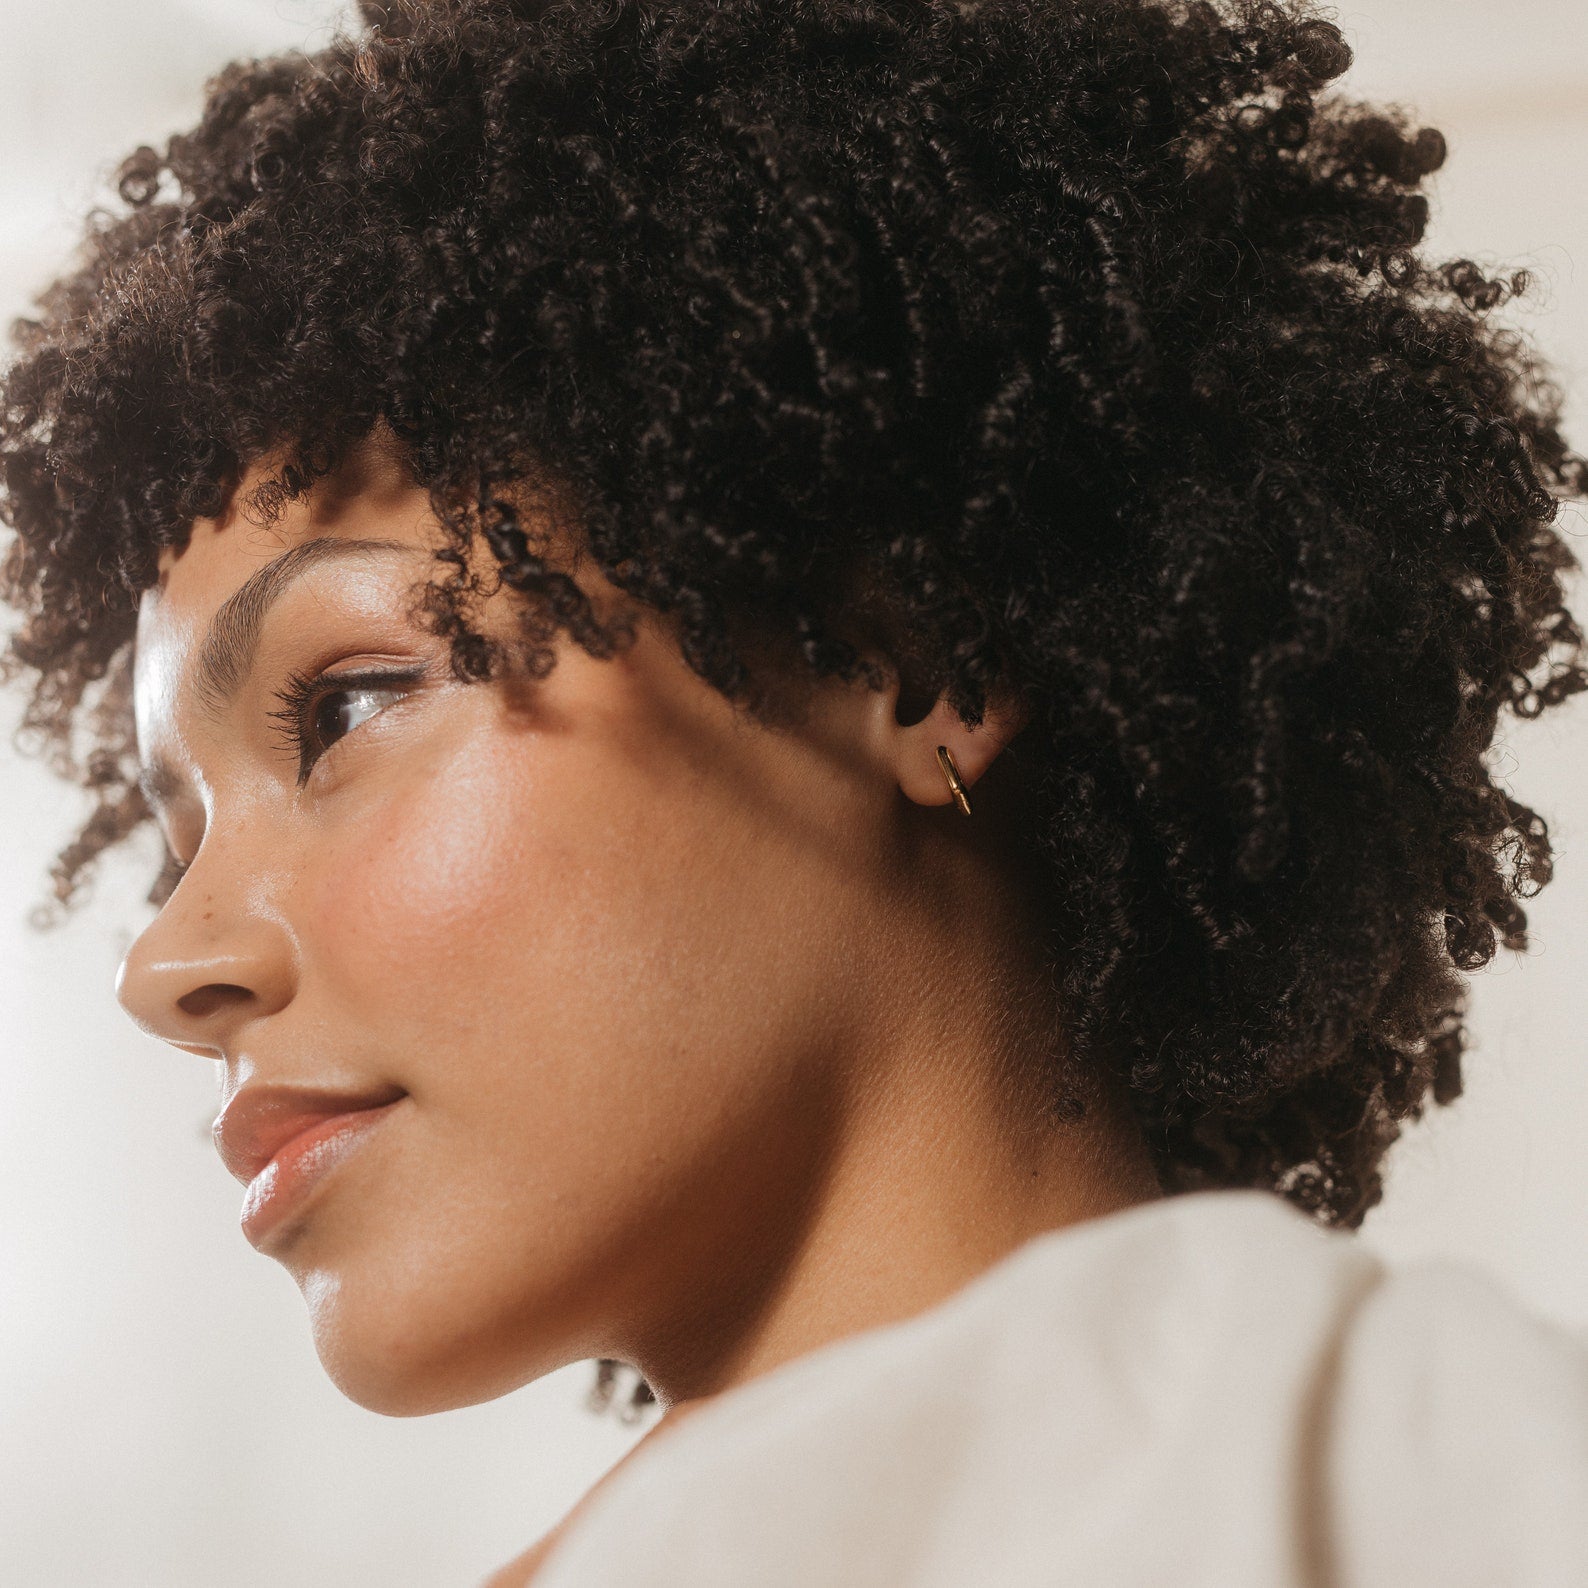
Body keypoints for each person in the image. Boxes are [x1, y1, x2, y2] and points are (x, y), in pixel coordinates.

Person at [3, 0, 1586, 1581]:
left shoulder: (1403, 1469)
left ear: (915, 668)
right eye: (175, 837)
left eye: (345, 707)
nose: (167, 969)